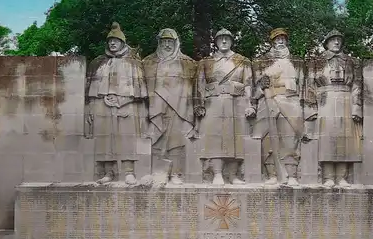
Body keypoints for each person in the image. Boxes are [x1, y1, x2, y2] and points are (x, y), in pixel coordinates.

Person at [84, 22, 149, 185]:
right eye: (110, 41)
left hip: (126, 105)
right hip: (103, 104)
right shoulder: (98, 62)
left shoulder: (133, 62)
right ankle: (109, 172)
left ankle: (129, 172)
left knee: (127, 138)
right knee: (105, 139)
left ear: (122, 42)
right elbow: (91, 91)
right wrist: (93, 106)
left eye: (116, 40)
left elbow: (141, 91)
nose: (112, 43)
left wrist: (123, 100)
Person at [193, 28, 253, 185]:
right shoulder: (206, 62)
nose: (224, 42)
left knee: (236, 139)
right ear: (216, 42)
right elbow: (200, 85)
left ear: (232, 41)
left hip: (237, 102)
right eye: (221, 39)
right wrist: (199, 105)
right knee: (214, 139)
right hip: (214, 102)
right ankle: (217, 174)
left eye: (227, 39)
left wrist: (250, 105)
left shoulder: (243, 61)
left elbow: (248, 84)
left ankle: (233, 175)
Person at [304, 29, 363, 187]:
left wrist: (356, 107)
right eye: (333, 39)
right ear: (327, 42)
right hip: (325, 100)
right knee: (327, 139)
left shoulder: (351, 61)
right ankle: (328, 176)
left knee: (345, 139)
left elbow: (357, 84)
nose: (336, 42)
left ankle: (342, 176)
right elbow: (310, 85)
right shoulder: (317, 61)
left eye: (339, 39)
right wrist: (311, 109)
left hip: (345, 98)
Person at [143, 28, 197, 184]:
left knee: (177, 140)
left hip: (179, 109)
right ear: (159, 43)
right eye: (163, 41)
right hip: (156, 109)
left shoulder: (188, 62)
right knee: (156, 139)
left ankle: (176, 173)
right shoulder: (147, 62)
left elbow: (193, 88)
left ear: (176, 43)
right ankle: (157, 172)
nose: (167, 45)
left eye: (170, 41)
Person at [251, 28, 303, 186]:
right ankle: (272, 174)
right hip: (267, 101)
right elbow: (253, 86)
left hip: (290, 101)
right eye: (277, 39)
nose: (280, 41)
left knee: (290, 139)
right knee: (267, 139)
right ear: (272, 42)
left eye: (283, 38)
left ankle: (292, 174)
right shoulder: (261, 61)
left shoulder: (297, 62)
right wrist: (261, 86)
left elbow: (303, 85)